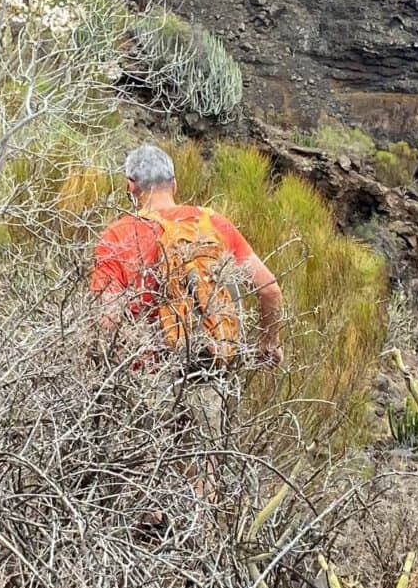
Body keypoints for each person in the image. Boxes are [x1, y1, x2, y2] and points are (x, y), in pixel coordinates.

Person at [90, 143, 284, 444]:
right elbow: (269, 289)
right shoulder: (212, 224)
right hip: (205, 370)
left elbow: (107, 321)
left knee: (144, 470)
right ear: (174, 185)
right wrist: (268, 342)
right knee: (201, 470)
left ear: (131, 187)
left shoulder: (118, 234)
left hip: (148, 378)